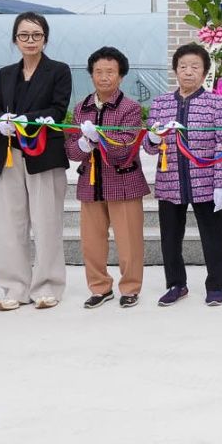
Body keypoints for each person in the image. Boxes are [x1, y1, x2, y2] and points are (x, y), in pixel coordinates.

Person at [0, 11, 72, 311]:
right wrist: (1, 122)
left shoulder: (59, 70)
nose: (30, 41)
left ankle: (48, 286)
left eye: (36, 35)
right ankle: (14, 287)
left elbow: (58, 110)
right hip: (9, 154)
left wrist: (25, 120)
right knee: (9, 223)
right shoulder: (6, 73)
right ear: (15, 39)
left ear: (45, 38)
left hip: (44, 154)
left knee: (46, 221)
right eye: (24, 35)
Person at [144, 42, 222, 307]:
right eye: (183, 66)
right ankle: (176, 284)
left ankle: (216, 286)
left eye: (195, 66)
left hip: (206, 182)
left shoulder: (218, 104)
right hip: (170, 182)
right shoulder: (161, 104)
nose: (188, 72)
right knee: (170, 237)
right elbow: (149, 147)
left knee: (213, 236)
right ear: (175, 70)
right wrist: (151, 136)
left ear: (205, 71)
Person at [64, 46, 150, 309]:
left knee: (129, 241)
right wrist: (83, 145)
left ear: (121, 76)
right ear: (91, 75)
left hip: (123, 181)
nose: (104, 77)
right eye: (98, 72)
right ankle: (100, 287)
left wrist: (98, 139)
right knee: (91, 242)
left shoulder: (131, 108)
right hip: (91, 183)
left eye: (110, 72)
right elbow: (71, 149)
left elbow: (126, 147)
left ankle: (130, 287)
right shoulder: (81, 108)